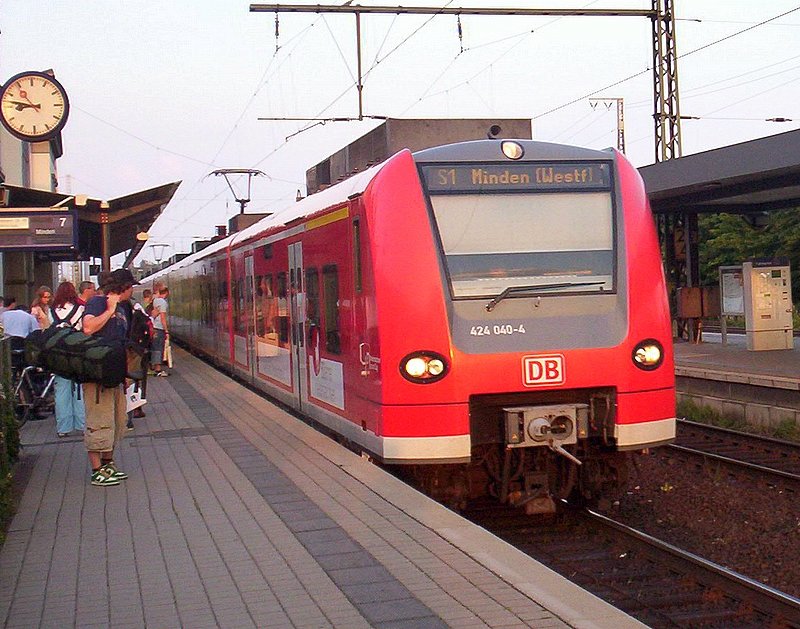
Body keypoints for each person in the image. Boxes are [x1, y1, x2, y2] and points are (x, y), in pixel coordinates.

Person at [82, 268, 138, 487]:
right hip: (97, 374)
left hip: (114, 374)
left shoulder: (125, 308)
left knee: (116, 421)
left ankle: (108, 464)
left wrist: (124, 373)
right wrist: (110, 309)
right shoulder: (97, 303)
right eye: (130, 286)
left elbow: (121, 342)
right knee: (98, 421)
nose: (132, 290)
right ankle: (97, 471)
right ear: (122, 288)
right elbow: (88, 328)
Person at [51, 281, 86, 438]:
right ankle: (82, 424)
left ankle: (63, 428)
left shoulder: (52, 310)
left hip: (59, 354)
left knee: (61, 391)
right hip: (77, 352)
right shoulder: (80, 309)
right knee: (79, 390)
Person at [149, 283, 169, 376]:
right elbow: (163, 318)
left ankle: (154, 367)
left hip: (154, 327)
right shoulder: (162, 302)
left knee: (155, 347)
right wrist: (166, 330)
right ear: (166, 293)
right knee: (159, 348)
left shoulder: (155, 300)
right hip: (159, 328)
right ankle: (158, 369)